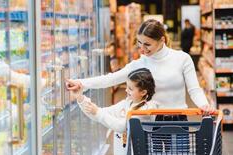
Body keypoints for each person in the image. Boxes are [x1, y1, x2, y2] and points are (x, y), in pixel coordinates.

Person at [66, 19, 214, 115]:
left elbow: (194, 89)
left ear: (162, 40)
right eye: (139, 43)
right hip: (148, 121)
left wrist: (204, 105)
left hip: (178, 120)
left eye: (147, 44)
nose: (142, 49)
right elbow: (111, 79)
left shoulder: (182, 58)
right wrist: (82, 83)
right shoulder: (140, 64)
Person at [71, 68, 157, 155]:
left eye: (130, 89)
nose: (126, 90)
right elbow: (100, 114)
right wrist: (80, 98)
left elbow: (122, 126)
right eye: (126, 87)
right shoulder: (127, 103)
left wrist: (97, 112)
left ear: (143, 92)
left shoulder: (146, 109)